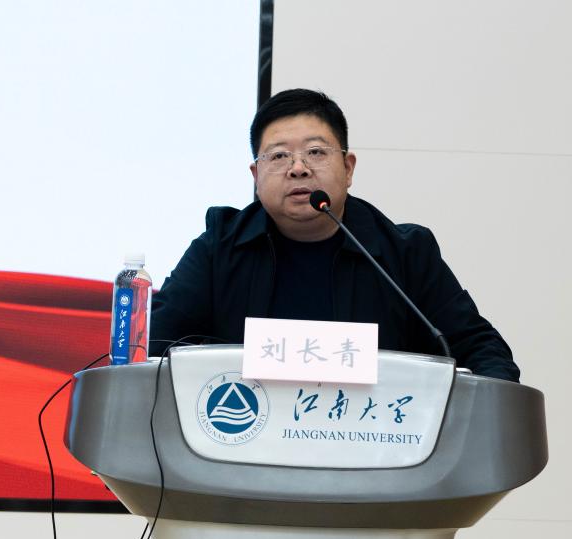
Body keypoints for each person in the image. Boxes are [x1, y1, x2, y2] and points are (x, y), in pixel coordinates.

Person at [149, 89, 519, 381]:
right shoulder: (219, 247)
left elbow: (482, 350)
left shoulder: (405, 253)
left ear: (348, 167)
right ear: (256, 176)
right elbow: (151, 344)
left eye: (315, 152)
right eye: (278, 156)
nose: (297, 168)